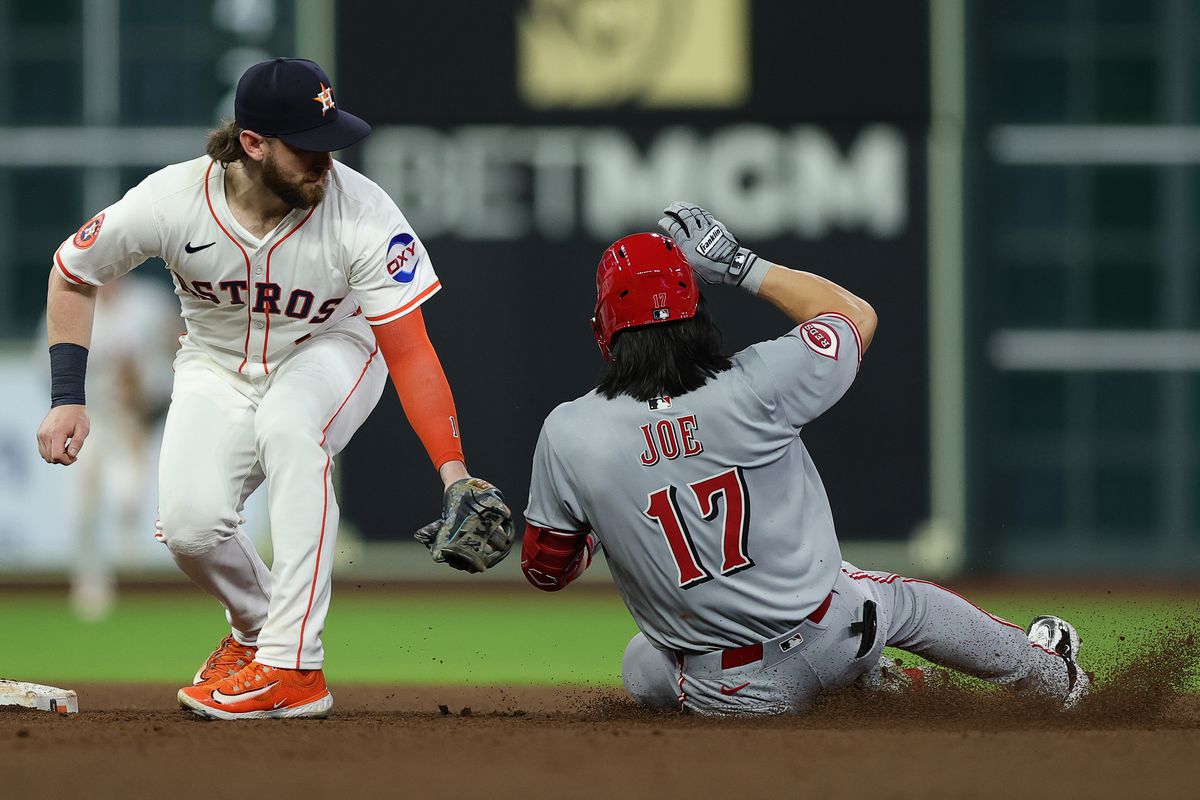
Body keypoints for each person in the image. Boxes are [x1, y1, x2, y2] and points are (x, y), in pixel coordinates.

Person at [35, 57, 512, 720]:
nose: (326, 159)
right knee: (191, 530)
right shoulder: (171, 202)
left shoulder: (362, 213)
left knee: (292, 427)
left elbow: (410, 351)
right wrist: (68, 394)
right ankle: (259, 634)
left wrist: (453, 471)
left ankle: (294, 666)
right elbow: (73, 273)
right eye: (307, 147)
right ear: (252, 144)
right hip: (215, 364)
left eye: (331, 141)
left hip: (334, 350)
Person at [520, 202, 1089, 714]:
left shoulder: (571, 431)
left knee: (642, 662)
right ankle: (1051, 678)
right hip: (838, 633)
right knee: (896, 600)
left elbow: (547, 570)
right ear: (697, 311)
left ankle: (869, 692)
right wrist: (741, 264)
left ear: (604, 331)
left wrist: (600, 522)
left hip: (735, 694)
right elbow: (855, 317)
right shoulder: (761, 380)